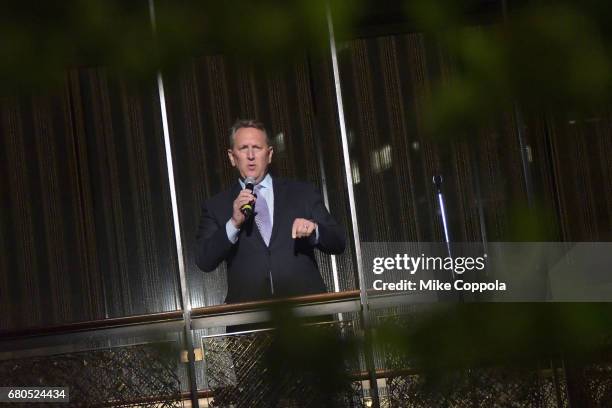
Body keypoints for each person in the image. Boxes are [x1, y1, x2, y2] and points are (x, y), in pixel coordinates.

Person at [195, 119, 346, 304]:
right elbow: (204, 260)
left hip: (306, 315)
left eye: (257, 147)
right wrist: (233, 224)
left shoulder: (302, 193)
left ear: (270, 154)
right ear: (232, 157)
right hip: (249, 322)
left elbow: (338, 242)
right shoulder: (216, 205)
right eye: (243, 148)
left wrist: (314, 229)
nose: (251, 155)